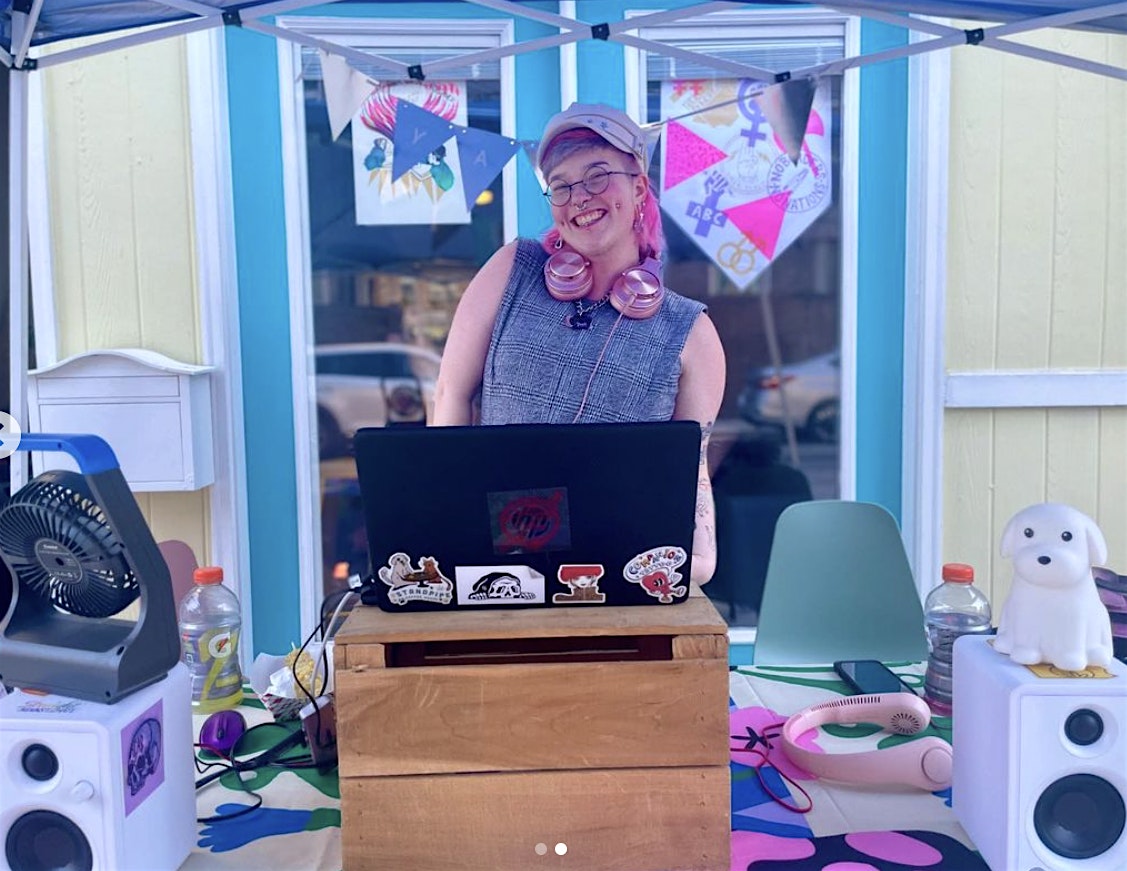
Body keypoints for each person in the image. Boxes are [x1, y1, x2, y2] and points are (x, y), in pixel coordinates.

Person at [433, 103, 726, 584]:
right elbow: (450, 394)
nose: (579, 197)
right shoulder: (511, 269)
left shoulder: (691, 332)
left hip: (616, 570)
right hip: (497, 561)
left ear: (639, 188)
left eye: (597, 176)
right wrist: (448, 521)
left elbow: (689, 466)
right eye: (562, 185)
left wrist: (698, 557)